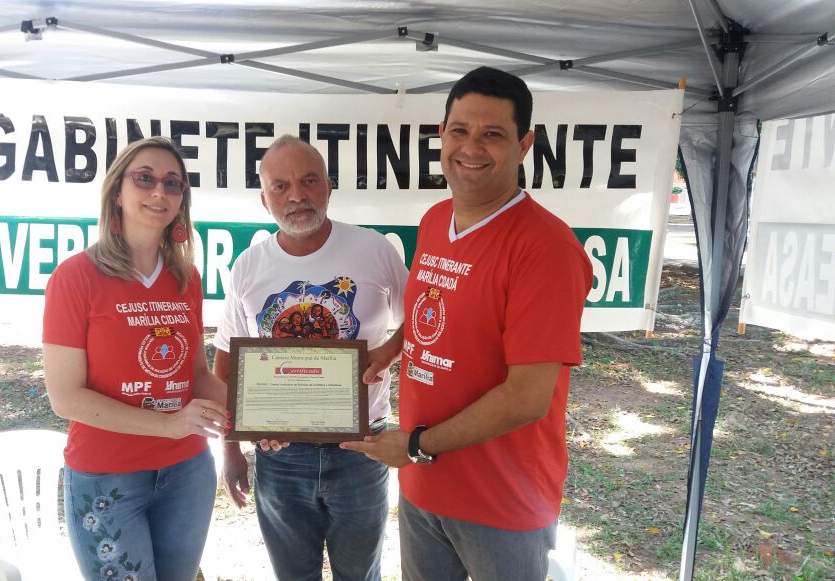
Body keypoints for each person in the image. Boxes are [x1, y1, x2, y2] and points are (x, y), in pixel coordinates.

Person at [341, 67, 593, 580]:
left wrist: (414, 446)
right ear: (441, 134)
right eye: (460, 130)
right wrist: (394, 346)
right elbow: (438, 310)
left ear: (525, 145)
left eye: (493, 134)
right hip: (424, 488)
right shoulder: (436, 219)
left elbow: (527, 396)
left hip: (503, 501)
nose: (471, 147)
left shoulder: (546, 249)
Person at [212, 135, 408, 581]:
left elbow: (424, 318)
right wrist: (230, 447)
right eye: (280, 186)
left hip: (363, 450)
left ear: (329, 187)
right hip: (280, 456)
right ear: (265, 200)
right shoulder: (248, 265)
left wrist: (389, 350)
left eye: (308, 181)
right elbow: (227, 361)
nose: (296, 195)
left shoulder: (375, 250)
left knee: (360, 574)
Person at [42, 137, 230, 581]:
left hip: (187, 472)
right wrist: (168, 424)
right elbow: (66, 398)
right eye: (144, 179)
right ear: (117, 192)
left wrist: (257, 414)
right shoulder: (75, 277)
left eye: (173, 184)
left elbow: (197, 375)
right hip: (107, 475)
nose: (159, 192)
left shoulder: (186, 279)